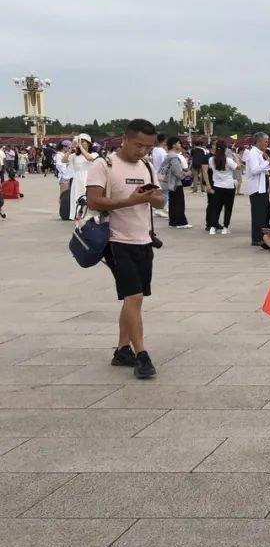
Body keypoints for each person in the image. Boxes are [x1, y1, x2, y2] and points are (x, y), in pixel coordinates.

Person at [85, 119, 164, 380]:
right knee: (134, 296)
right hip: (115, 240)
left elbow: (160, 201)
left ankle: (122, 349)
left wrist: (153, 198)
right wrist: (129, 201)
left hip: (142, 239)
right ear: (125, 139)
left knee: (134, 297)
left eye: (148, 147)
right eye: (139, 145)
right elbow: (94, 201)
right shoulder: (104, 165)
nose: (143, 151)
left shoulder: (147, 166)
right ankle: (142, 354)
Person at [204, 140, 239, 235]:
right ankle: (225, 227)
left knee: (216, 207)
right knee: (228, 208)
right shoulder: (228, 160)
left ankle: (212, 227)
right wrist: (236, 157)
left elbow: (210, 169)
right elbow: (238, 167)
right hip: (229, 186)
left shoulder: (211, 160)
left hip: (217, 186)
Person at [244, 132, 270, 246]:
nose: (267, 144)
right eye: (265, 142)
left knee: (266, 212)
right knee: (258, 214)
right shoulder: (253, 154)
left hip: (262, 187)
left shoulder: (260, 153)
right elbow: (255, 169)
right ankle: (257, 238)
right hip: (256, 188)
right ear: (259, 142)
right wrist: (267, 162)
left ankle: (263, 235)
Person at [161, 136, 191, 229]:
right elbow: (177, 172)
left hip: (169, 182)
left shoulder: (168, 155)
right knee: (179, 203)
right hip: (175, 183)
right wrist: (187, 174)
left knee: (173, 203)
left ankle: (173, 222)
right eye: (178, 143)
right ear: (173, 145)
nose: (180, 145)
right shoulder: (174, 157)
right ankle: (180, 222)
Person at [67, 134, 98, 212]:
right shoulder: (75, 156)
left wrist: (80, 146)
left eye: (83, 142)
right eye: (80, 142)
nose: (80, 143)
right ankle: (76, 215)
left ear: (88, 143)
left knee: (87, 198)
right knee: (77, 197)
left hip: (89, 179)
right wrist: (71, 148)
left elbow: (89, 158)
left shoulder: (94, 154)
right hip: (77, 180)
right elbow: (64, 160)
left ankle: (87, 215)